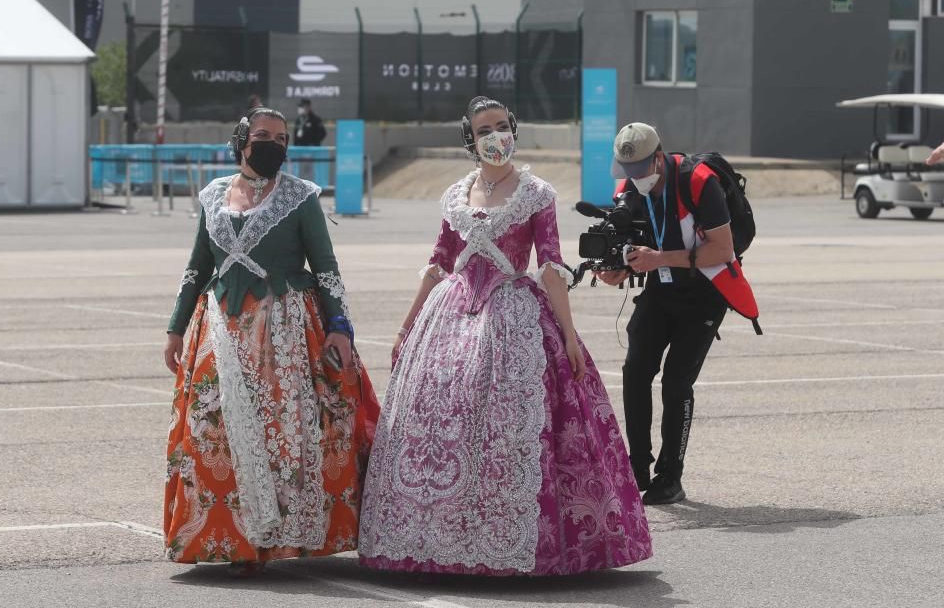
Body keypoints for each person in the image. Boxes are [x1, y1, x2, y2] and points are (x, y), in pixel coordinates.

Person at [357, 96, 652, 576]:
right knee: (444, 421)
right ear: (470, 141)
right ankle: (439, 537)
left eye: (501, 126)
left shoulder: (536, 192)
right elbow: (437, 264)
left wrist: (570, 337)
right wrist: (407, 324)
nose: (495, 137)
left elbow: (551, 267)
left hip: (514, 314)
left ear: (512, 129)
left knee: (511, 427)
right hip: (450, 313)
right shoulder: (456, 194)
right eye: (483, 130)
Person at [162, 106, 379, 576]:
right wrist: (176, 327)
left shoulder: (300, 197)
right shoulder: (214, 195)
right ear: (242, 140)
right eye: (264, 136)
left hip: (284, 329)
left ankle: (276, 539)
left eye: (282, 139)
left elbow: (325, 267)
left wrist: (340, 327)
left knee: (285, 431)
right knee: (211, 428)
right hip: (219, 325)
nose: (273, 145)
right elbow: (197, 266)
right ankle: (226, 537)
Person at [598, 122, 739, 505]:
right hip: (662, 286)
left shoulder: (699, 182)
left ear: (659, 158)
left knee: (676, 383)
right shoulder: (630, 187)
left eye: (640, 169)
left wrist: (659, 259)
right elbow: (643, 241)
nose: (633, 178)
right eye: (626, 171)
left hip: (705, 291)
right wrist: (622, 267)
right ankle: (637, 467)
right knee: (635, 370)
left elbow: (722, 250)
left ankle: (670, 477)